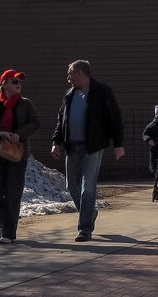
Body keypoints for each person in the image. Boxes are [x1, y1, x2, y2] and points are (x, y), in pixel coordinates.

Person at [51, 59, 125, 242]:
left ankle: (85, 229)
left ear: (80, 73)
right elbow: (61, 120)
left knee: (88, 187)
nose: (68, 78)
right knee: (71, 185)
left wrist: (118, 143)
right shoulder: (69, 95)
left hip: (92, 146)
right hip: (72, 145)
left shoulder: (101, 92)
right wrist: (56, 142)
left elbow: (114, 117)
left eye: (70, 73)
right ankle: (90, 213)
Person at [0, 69, 40, 244]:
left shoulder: (26, 104)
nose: (18, 84)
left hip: (17, 154)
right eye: (13, 81)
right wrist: (0, 132)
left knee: (13, 193)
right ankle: (6, 224)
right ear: (4, 84)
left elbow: (36, 122)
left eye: (19, 81)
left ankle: (8, 234)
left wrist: (19, 133)